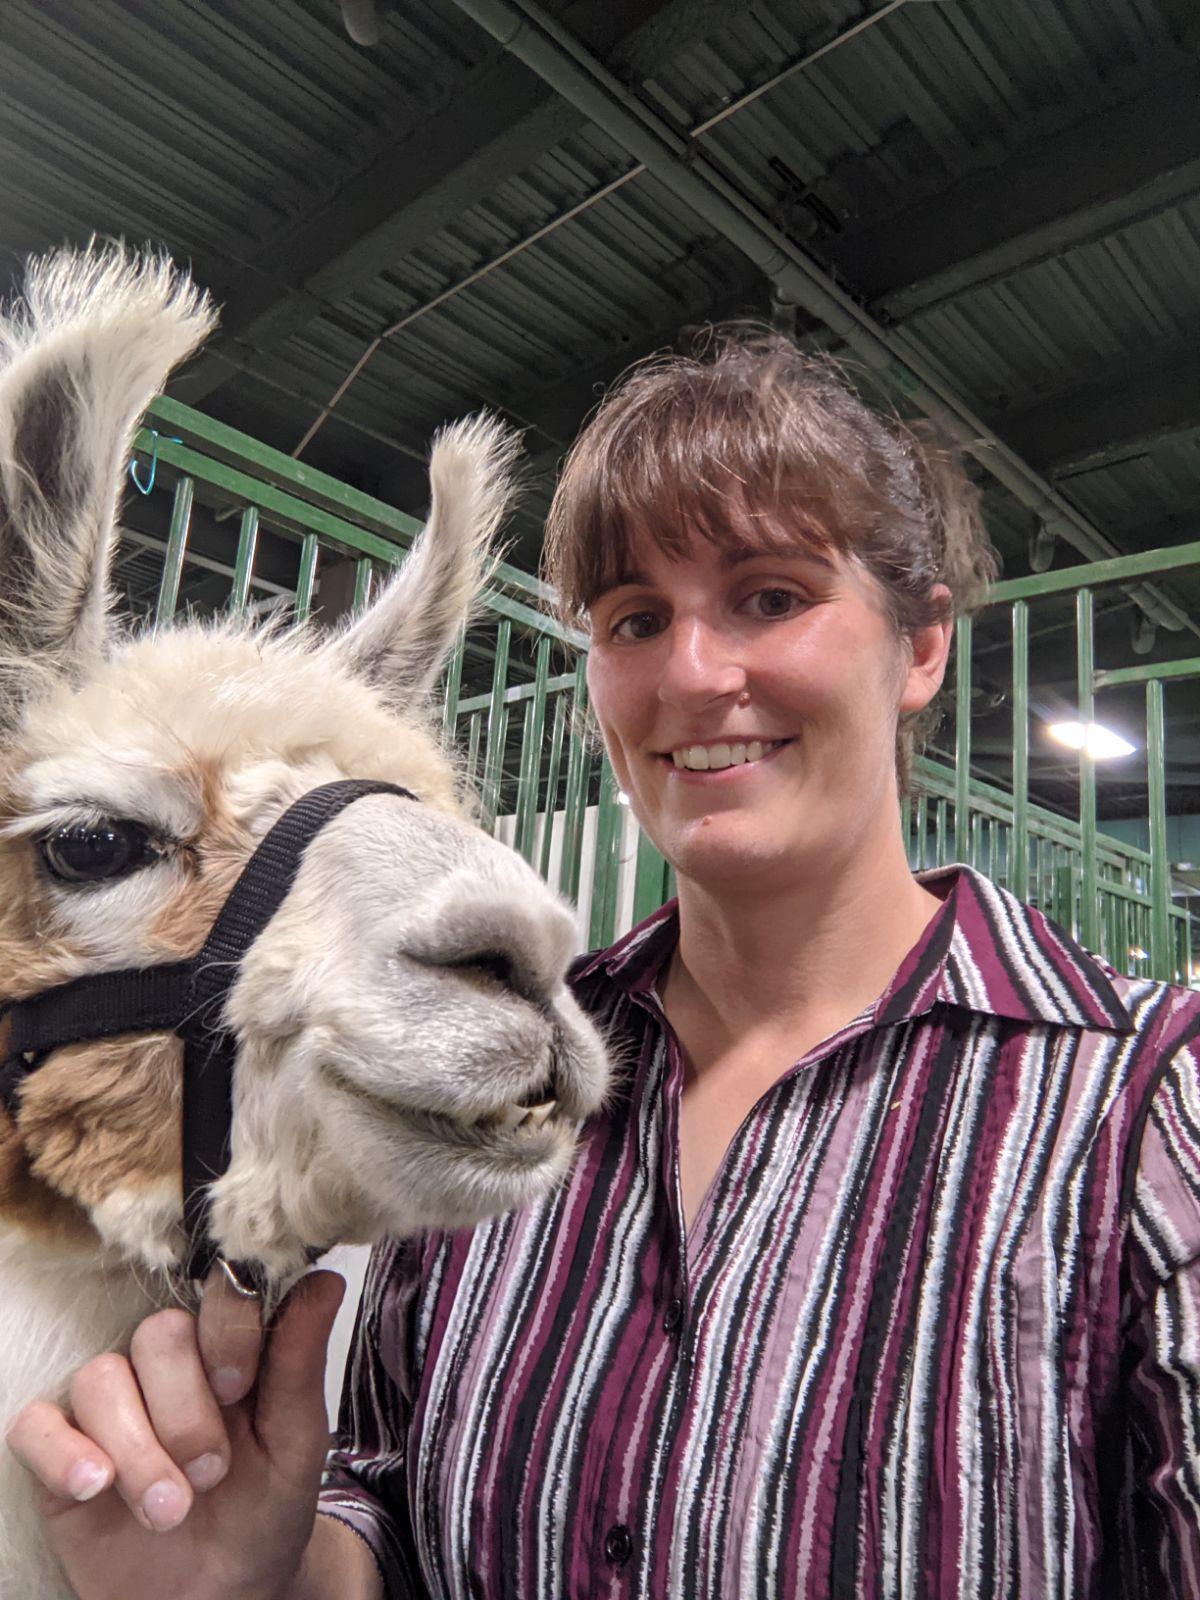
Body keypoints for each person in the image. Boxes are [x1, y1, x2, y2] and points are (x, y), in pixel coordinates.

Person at [10, 330, 1200, 1599]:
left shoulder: (1143, 1106)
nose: (694, 673)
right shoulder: (491, 1101)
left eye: (772, 597)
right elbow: (390, 1504)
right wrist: (266, 1564)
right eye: (636, 618)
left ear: (919, 648)